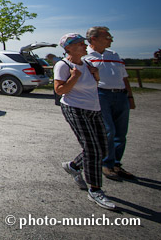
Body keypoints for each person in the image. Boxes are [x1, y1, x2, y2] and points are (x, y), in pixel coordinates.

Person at [54, 33, 115, 210]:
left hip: (94, 109)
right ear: (68, 48)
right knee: (92, 148)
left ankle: (73, 166)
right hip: (74, 108)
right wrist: (74, 77)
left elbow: (93, 86)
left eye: (83, 43)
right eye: (79, 44)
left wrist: (96, 76)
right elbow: (59, 90)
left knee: (102, 147)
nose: (84, 45)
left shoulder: (88, 64)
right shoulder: (63, 65)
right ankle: (95, 190)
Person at [85, 26, 136, 181]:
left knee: (121, 132)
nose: (111, 39)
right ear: (94, 38)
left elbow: (124, 77)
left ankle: (116, 164)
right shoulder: (85, 57)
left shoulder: (114, 55)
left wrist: (130, 96)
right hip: (101, 95)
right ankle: (106, 164)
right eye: (107, 37)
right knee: (108, 130)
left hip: (120, 94)